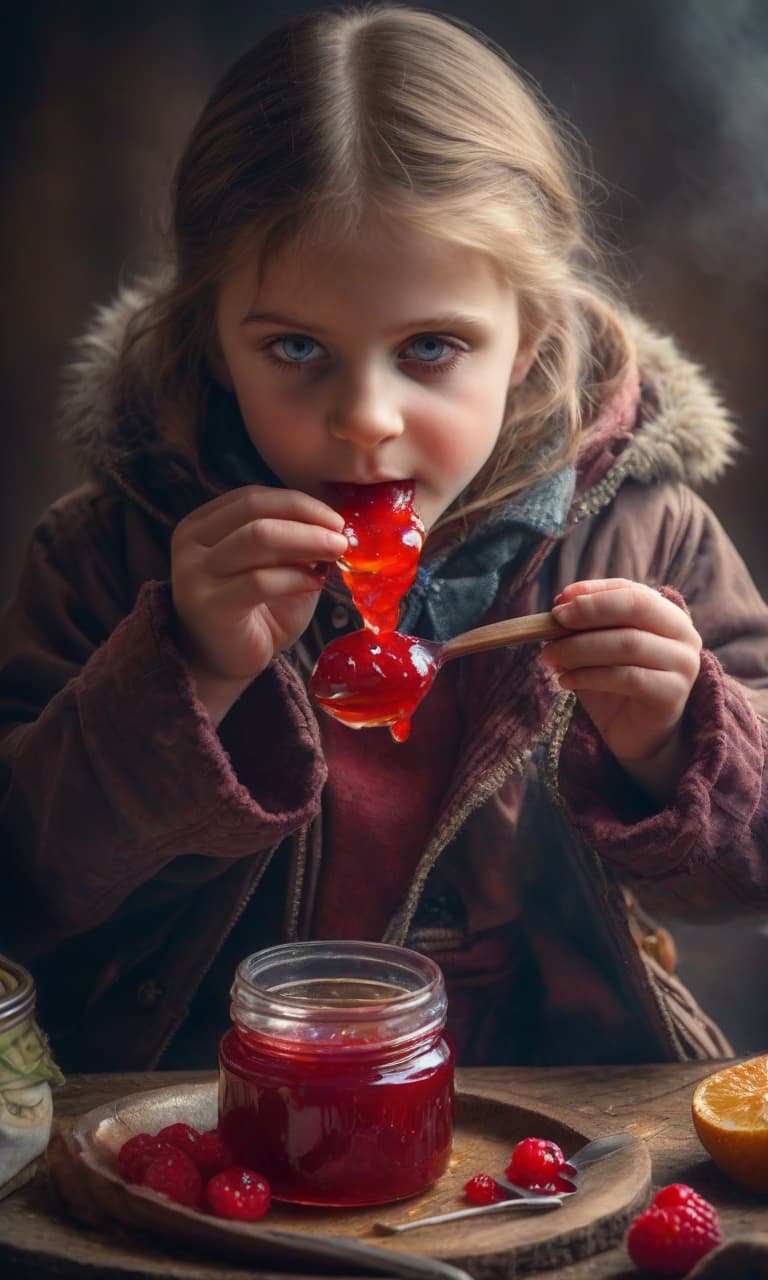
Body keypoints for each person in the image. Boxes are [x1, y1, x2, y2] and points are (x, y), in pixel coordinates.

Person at [1, 5, 766, 1074]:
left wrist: (679, 739)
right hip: (202, 1104)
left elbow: (748, 882)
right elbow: (23, 887)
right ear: (215, 342)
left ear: (529, 337)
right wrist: (186, 675)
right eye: (298, 346)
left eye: (432, 347)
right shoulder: (113, 552)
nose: (366, 415)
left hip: (559, 1115)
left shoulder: (644, 539)